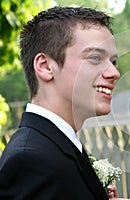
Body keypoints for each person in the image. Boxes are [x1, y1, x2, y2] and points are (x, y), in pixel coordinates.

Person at [0, 6, 121, 200]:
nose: (114, 73)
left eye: (113, 62)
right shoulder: (29, 162)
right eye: (95, 58)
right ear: (46, 66)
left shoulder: (60, 147)